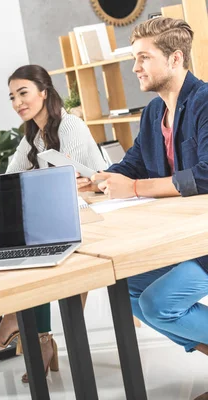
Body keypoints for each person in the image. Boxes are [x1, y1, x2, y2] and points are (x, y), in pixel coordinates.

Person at [77, 17, 208, 383]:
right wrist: (97, 179)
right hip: (181, 236)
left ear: (175, 59)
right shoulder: (153, 112)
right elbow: (134, 163)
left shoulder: (205, 102)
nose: (135, 67)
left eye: (144, 57)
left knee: (157, 304)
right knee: (130, 286)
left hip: (205, 239)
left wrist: (133, 189)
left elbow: (206, 174)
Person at [0, 64, 107, 383]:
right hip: (66, 212)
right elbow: (12, 174)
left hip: (98, 213)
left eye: (23, 93)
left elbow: (72, 178)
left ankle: (21, 322)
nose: (17, 102)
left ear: (44, 92)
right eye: (12, 96)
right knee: (20, 241)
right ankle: (38, 337)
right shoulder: (33, 134)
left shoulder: (70, 125)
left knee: (30, 242)